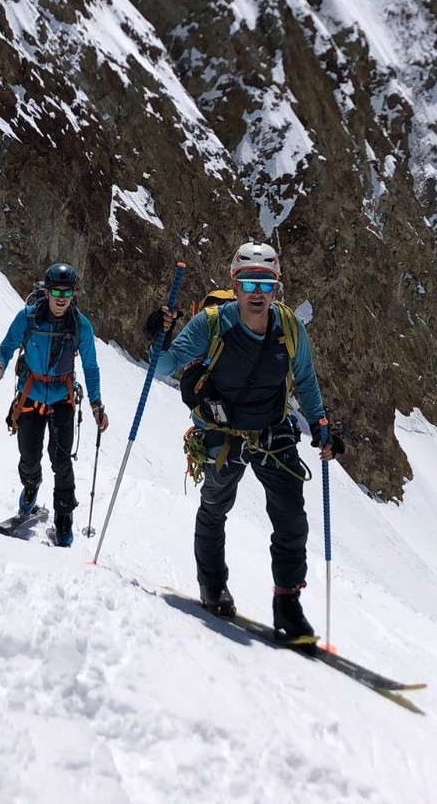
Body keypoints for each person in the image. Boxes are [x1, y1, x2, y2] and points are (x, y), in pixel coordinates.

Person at [151, 241, 343, 641]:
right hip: (223, 433)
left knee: (291, 518)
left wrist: (321, 423)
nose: (258, 293)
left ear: (277, 288)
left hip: (274, 432)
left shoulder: (290, 328)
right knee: (215, 507)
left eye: (266, 283)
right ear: (235, 285)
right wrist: (160, 335)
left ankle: (287, 602)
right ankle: (212, 584)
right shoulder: (211, 323)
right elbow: (165, 365)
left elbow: (305, 379)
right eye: (250, 282)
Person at [0, 263, 107, 546]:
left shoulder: (80, 326)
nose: (61, 297)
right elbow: (6, 348)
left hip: (61, 399)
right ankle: (31, 488)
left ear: (73, 294)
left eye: (67, 291)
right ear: (47, 292)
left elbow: (91, 367)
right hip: (30, 395)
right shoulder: (28, 318)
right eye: (56, 291)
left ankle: (64, 518)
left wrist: (96, 404)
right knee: (28, 459)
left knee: (61, 461)